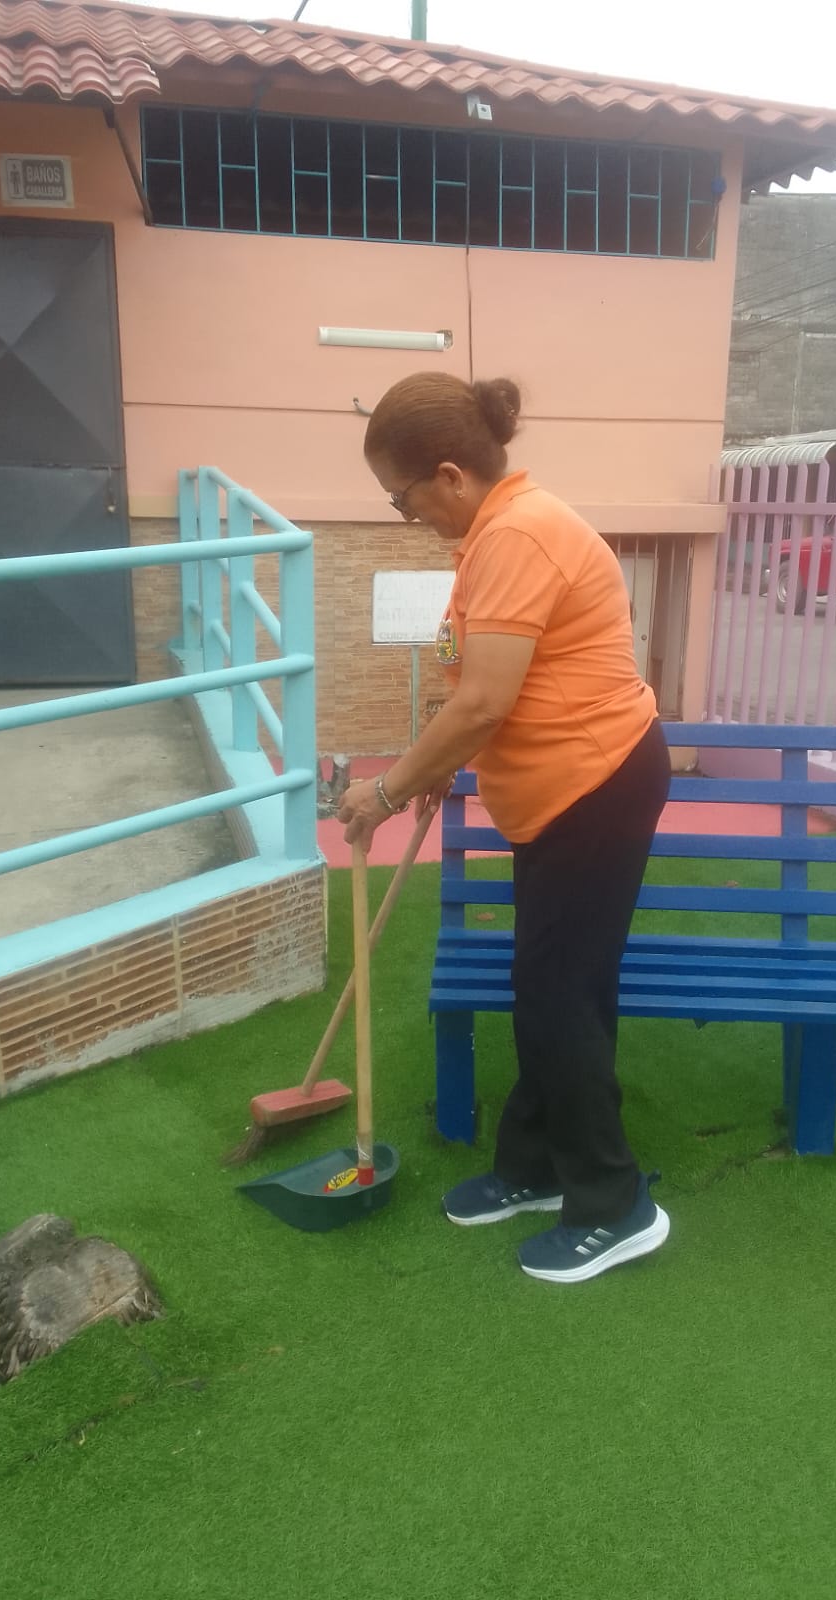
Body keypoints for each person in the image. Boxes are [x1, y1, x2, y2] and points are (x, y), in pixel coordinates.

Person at [337, 372, 672, 1285]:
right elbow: (485, 687)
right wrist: (438, 762)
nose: (406, 514)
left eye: (402, 496)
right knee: (554, 988)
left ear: (449, 475)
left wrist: (388, 789)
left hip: (593, 787)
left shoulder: (518, 535)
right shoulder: (494, 534)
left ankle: (616, 1205)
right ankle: (535, 1168)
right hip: (566, 792)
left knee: (559, 994)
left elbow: (485, 700)